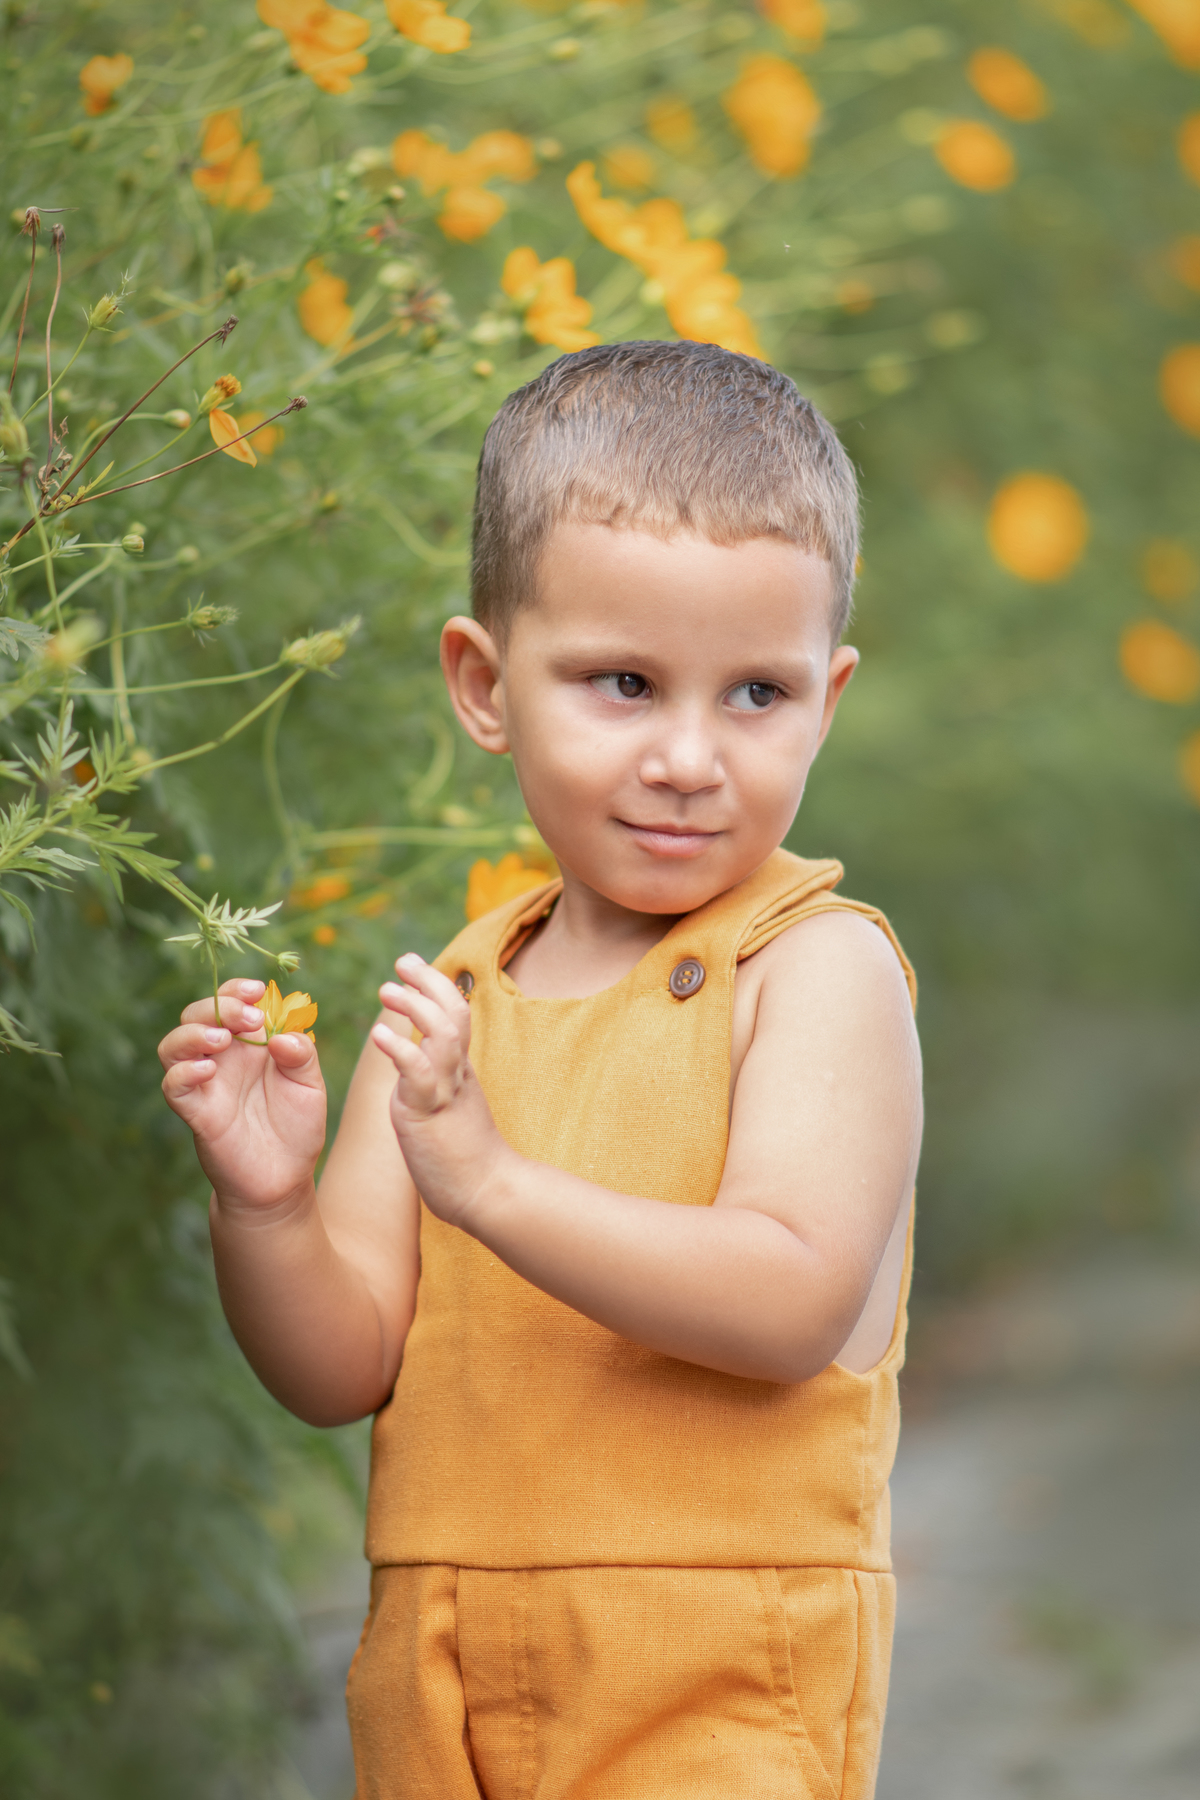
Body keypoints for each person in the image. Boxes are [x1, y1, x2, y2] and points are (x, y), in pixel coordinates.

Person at [158, 340, 923, 1800]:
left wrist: (496, 1185)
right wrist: (264, 1211)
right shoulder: (456, 999)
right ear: (484, 682)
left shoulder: (816, 972)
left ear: (826, 697)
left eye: (755, 694)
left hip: (710, 1672)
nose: (691, 755)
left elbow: (787, 1297)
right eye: (623, 683)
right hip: (440, 1676)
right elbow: (342, 1367)